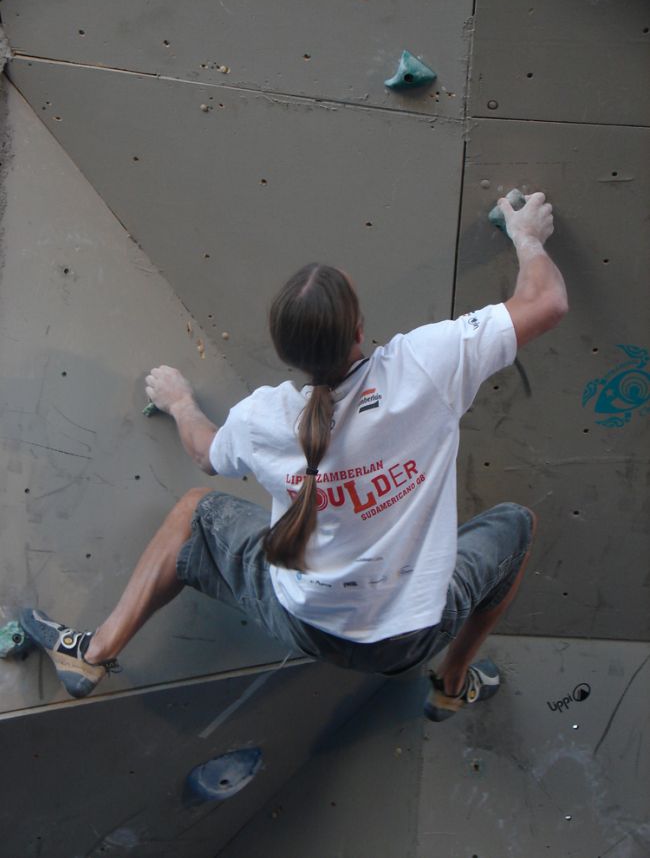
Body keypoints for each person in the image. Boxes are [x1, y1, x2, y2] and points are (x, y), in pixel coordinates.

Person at [22, 193, 567, 720]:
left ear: (286, 352)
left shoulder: (265, 418)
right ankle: (451, 685)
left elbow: (208, 455)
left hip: (304, 622)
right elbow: (544, 303)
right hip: (413, 637)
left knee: (195, 513)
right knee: (516, 526)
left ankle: (92, 654)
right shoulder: (422, 368)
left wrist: (181, 403)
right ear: (358, 330)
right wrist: (528, 238)